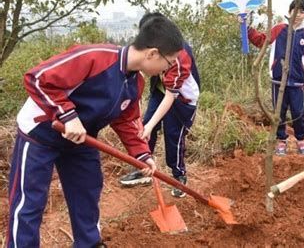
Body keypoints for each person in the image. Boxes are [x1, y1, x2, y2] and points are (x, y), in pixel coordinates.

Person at [6, 15, 184, 248]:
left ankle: (88, 244)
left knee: (88, 190)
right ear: (152, 54)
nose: (168, 69)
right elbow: (37, 79)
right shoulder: (95, 57)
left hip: (82, 139)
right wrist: (68, 116)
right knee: (30, 201)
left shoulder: (134, 83)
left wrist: (142, 155)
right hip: (42, 131)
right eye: (169, 62)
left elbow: (126, 121)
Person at [119, 13, 200, 198]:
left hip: (181, 99)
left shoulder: (179, 56)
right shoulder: (150, 50)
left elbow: (171, 96)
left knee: (173, 136)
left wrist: (148, 126)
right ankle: (143, 168)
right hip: (160, 90)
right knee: (148, 126)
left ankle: (179, 176)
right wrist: (147, 124)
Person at [246, 0, 304, 156]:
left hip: (297, 82)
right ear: (290, 12)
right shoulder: (279, 29)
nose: (297, 14)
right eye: (295, 10)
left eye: (302, 12)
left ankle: (300, 139)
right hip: (278, 80)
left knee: (298, 112)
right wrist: (248, 29)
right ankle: (281, 140)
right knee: (279, 112)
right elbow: (261, 40)